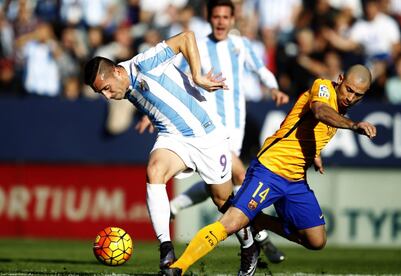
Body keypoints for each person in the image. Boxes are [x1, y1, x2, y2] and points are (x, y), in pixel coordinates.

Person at [161, 64, 377, 276]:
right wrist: (353, 125)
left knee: (316, 240)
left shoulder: (341, 108)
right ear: (340, 79)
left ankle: (257, 221)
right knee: (231, 223)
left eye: (358, 95)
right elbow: (320, 112)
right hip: (270, 169)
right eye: (349, 90)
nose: (350, 98)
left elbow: (307, 125)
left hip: (295, 180)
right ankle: (178, 267)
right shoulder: (323, 88)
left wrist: (315, 154)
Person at [83, 30, 234, 270]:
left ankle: (250, 244)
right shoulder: (125, 87)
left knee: (223, 200)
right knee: (154, 171)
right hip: (173, 136)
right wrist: (149, 115)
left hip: (206, 134)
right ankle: (166, 248)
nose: (108, 96)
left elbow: (186, 37)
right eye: (102, 93)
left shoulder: (143, 64)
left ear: (118, 72)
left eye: (107, 89)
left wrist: (197, 76)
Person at [165, 0, 289, 270]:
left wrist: (274, 88)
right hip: (209, 127)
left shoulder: (241, 45)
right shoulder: (197, 47)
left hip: (236, 128)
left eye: (225, 17)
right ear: (209, 18)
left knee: (218, 186)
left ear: (233, 20)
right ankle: (261, 237)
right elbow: (180, 82)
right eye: (216, 16)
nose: (221, 21)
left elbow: (261, 70)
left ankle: (175, 207)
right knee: (240, 176)